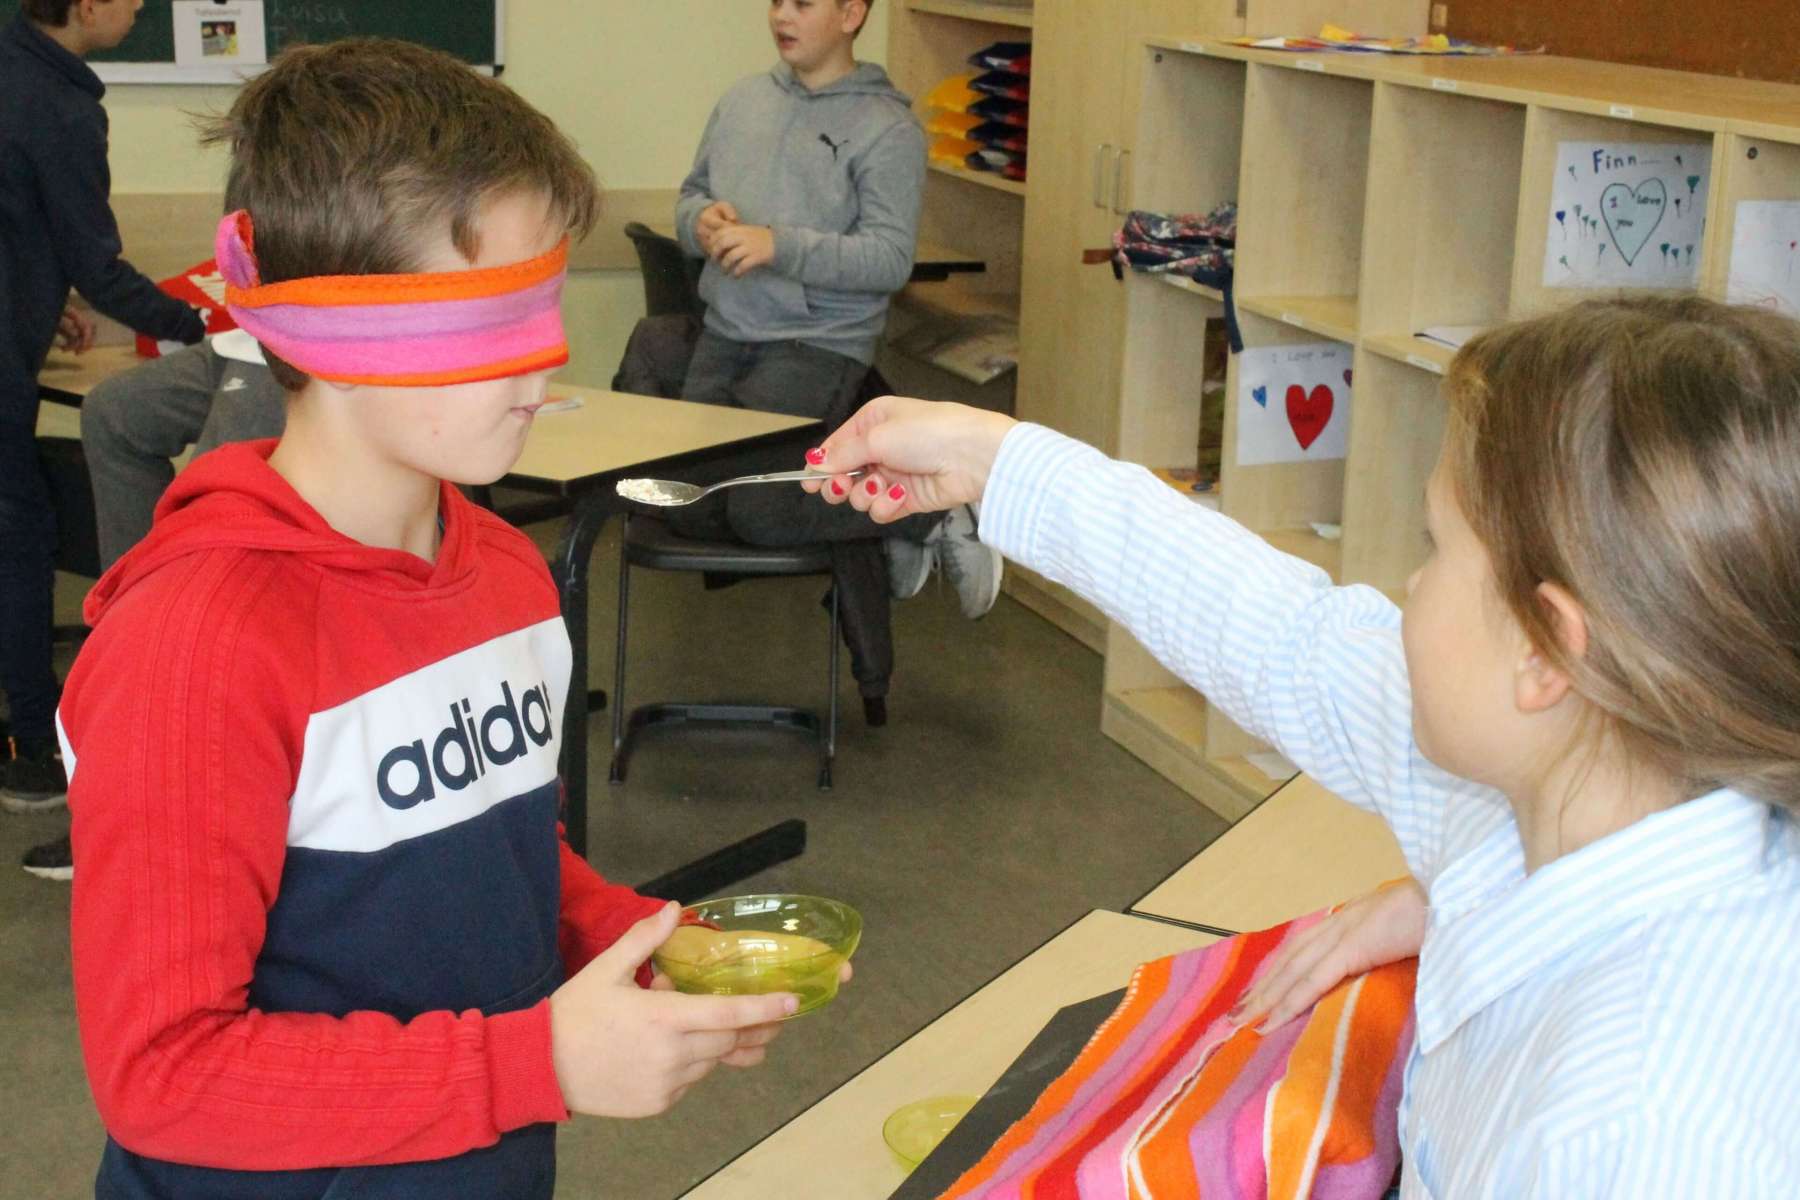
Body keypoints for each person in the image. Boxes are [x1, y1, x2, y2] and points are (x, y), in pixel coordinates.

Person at [57, 39, 834, 1198]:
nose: (543, 369)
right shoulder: (197, 650)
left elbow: (497, 852)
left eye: (544, 304)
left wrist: (634, 936)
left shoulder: (508, 576)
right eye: (487, 322)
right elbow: (164, 1076)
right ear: (333, 331)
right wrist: (537, 1062)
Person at [805, 296, 1800, 1194]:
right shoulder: (1579, 776)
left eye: (1436, 550)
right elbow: (1287, 637)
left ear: (1547, 652)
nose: (1411, 588)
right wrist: (992, 457)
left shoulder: (1640, 1132)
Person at [674, 0, 1002, 620]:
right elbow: (692, 196)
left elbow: (888, 259)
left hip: (816, 343)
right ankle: (885, 522)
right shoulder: (742, 100)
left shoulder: (887, 128)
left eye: (803, 4)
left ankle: (927, 511)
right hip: (726, 329)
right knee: (689, 502)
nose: (782, 16)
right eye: (777, 1)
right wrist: (700, 222)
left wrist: (781, 246)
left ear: (851, 14)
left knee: (763, 511)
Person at [0, 0, 207, 814]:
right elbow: (99, 266)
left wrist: (34, 292)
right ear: (86, 5)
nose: (142, 4)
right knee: (21, 538)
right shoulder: (59, 107)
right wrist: (204, 325)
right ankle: (33, 750)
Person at [19, 331, 283, 880]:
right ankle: (135, 642)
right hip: (240, 337)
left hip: (299, 339)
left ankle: (151, 806)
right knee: (114, 413)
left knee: (211, 502)